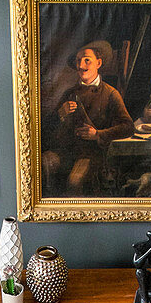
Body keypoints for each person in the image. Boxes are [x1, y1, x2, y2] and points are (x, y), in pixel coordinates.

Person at [42, 42, 134, 195]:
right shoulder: (70, 93)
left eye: (86, 60)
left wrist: (97, 134)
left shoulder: (111, 93)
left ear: (98, 63)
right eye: (78, 61)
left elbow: (128, 127)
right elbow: (48, 127)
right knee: (43, 162)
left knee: (75, 180)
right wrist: (60, 114)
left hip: (92, 154)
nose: (80, 65)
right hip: (66, 152)